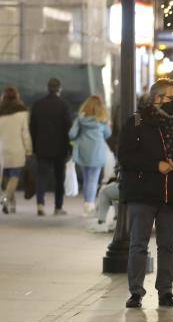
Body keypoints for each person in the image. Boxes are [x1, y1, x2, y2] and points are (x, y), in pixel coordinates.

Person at [118, 79, 173, 309]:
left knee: (167, 245)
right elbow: (126, 157)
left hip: (171, 193)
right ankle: (136, 292)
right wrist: (155, 165)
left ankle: (166, 292)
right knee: (138, 244)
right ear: (157, 99)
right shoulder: (136, 122)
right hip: (142, 193)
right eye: (172, 98)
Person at [30, 78, 72, 216]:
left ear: (48, 88)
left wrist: (34, 145)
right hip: (60, 148)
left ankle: (40, 204)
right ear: (59, 89)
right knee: (59, 178)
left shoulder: (37, 104)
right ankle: (58, 207)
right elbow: (68, 128)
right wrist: (69, 148)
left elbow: (32, 127)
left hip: (41, 147)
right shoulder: (64, 105)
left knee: (41, 176)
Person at [69, 95, 112, 217]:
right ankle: (89, 204)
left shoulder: (80, 119)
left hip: (83, 151)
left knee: (87, 178)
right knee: (93, 179)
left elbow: (72, 134)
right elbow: (108, 134)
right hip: (97, 151)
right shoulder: (102, 120)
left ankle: (87, 204)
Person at [0, 87, 33, 214]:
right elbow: (25, 133)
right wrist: (29, 150)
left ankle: (11, 204)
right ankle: (5, 199)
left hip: (2, 150)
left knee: (7, 178)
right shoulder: (22, 113)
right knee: (14, 176)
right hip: (17, 149)